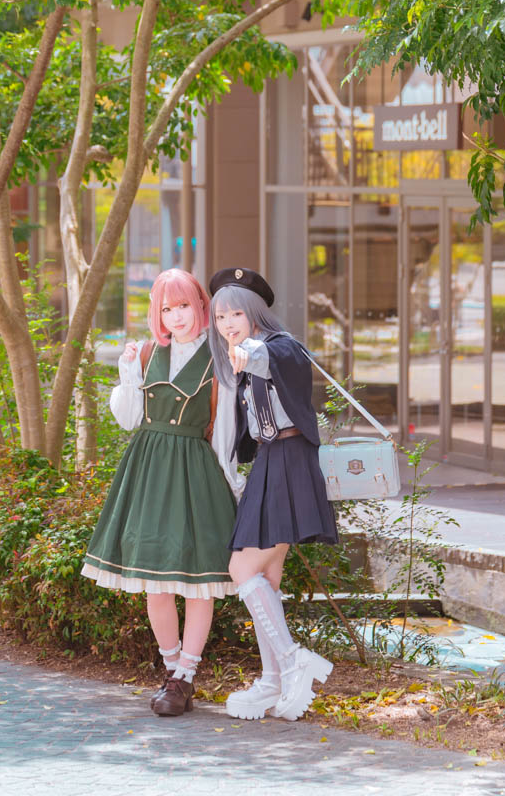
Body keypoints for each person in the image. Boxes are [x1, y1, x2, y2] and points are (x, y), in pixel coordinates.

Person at [82, 268, 243, 717]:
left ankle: (186, 675)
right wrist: (127, 373)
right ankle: (173, 672)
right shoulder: (148, 352)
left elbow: (225, 431)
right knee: (155, 580)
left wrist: (233, 487)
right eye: (167, 308)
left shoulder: (219, 358)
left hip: (196, 472)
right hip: (149, 470)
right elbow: (128, 419)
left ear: (201, 306)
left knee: (198, 583)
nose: (176, 316)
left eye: (184, 305)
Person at [207, 266, 338, 723]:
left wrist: (244, 352)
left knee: (241, 567)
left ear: (254, 312)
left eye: (235, 313)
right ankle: (273, 680)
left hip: (290, 459)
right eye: (220, 316)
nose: (227, 324)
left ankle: (292, 661)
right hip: (269, 461)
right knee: (268, 575)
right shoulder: (244, 357)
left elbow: (263, 356)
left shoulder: (281, 348)